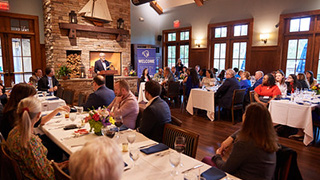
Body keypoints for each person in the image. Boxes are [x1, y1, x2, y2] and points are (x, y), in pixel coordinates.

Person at [212, 103, 278, 180]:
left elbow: (226, 169)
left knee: (207, 161)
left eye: (245, 113)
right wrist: (231, 138)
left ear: (247, 119)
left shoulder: (244, 143)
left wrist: (217, 156)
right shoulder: (268, 139)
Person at [6, 97, 66, 180]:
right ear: (38, 115)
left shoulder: (14, 131)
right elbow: (47, 176)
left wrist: (58, 164)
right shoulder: (29, 141)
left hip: (29, 171)